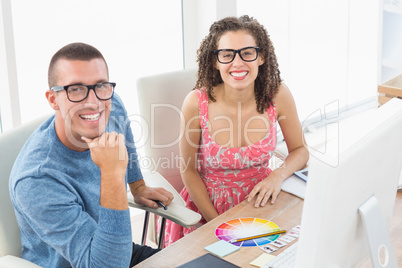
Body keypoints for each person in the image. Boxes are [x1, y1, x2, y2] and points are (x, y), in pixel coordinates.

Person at [9, 42, 173, 267]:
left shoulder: (110, 102)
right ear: (53, 99)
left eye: (100, 86)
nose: (93, 102)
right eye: (75, 89)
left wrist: (137, 185)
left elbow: (126, 137)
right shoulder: (36, 180)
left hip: (116, 246)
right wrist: (112, 174)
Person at [165, 15, 309, 245]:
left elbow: (300, 150)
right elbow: (189, 171)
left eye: (247, 52)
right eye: (227, 54)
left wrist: (277, 176)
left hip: (262, 201)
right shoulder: (196, 102)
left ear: (261, 56)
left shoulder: (278, 94)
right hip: (209, 210)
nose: (238, 63)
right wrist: (219, 225)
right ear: (215, 61)